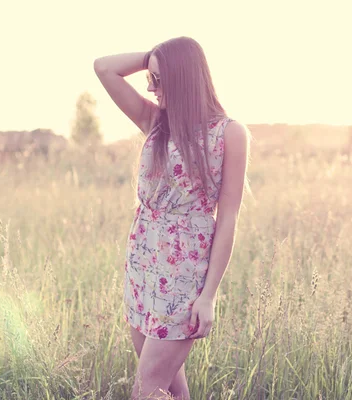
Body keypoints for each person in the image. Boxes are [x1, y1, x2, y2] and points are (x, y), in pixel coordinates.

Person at [94, 36, 250, 399]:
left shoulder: (230, 134)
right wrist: (153, 57)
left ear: (184, 77)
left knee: (145, 390)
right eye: (150, 77)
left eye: (159, 79)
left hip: (184, 279)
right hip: (142, 267)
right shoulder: (154, 121)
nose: (150, 87)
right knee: (172, 390)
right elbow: (103, 67)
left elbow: (228, 218)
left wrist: (208, 295)